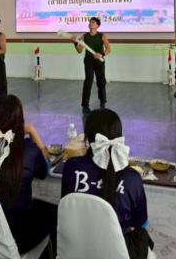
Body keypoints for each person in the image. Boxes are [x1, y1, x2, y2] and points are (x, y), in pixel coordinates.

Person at [0, 94, 57, 254]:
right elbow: (44, 170)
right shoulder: (28, 150)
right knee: (52, 210)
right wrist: (33, 132)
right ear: (20, 121)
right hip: (13, 238)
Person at [61, 109, 153, 259]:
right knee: (143, 235)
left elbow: (66, 204)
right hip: (116, 253)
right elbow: (140, 223)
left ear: (87, 138)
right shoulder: (132, 178)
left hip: (78, 249)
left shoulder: (71, 166)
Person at [70, 17, 111, 114]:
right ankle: (85, 105)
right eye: (90, 22)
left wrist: (102, 54)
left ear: (97, 25)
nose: (90, 24)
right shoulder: (84, 36)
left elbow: (109, 49)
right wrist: (75, 43)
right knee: (88, 81)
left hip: (99, 61)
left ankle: (102, 100)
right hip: (88, 61)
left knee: (101, 82)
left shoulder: (102, 36)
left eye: (93, 22)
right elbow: (79, 51)